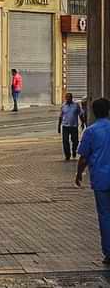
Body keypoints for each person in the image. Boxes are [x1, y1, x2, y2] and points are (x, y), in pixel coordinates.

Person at [76, 97, 110, 264]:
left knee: (104, 215)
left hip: (101, 179)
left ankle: (108, 251)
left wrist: (78, 174)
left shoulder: (90, 131)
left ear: (94, 113)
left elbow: (83, 157)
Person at [60, 93, 87, 160]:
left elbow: (80, 114)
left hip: (74, 126)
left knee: (75, 141)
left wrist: (83, 123)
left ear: (71, 98)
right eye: (67, 97)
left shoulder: (76, 105)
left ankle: (74, 151)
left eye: (69, 97)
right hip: (65, 126)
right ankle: (67, 155)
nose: (68, 99)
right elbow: (61, 116)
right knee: (65, 141)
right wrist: (59, 126)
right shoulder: (63, 106)